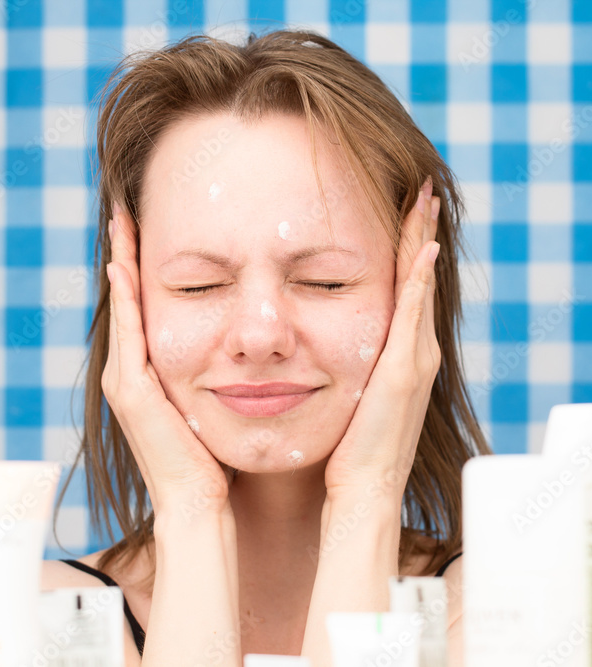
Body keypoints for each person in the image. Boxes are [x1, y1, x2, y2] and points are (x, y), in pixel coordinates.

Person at [40, 28, 490, 666]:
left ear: (414, 295)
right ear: (130, 298)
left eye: (325, 280)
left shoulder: (504, 613)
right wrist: (189, 509)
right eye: (198, 285)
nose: (259, 336)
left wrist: (368, 495)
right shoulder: (44, 623)